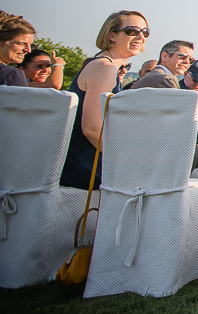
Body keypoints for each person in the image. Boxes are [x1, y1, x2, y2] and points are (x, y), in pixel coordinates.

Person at [60, 11, 148, 189]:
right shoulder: (104, 68)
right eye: (132, 30)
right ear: (111, 35)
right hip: (87, 168)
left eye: (145, 32)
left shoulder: (102, 64)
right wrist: (127, 161)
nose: (141, 36)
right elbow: (92, 129)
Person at [0, 11, 35, 167]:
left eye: (30, 44)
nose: (28, 50)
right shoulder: (10, 75)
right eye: (22, 43)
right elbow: (22, 126)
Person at [130, 40, 194, 89]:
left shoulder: (152, 76)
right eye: (182, 56)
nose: (187, 62)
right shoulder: (166, 79)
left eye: (190, 59)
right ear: (164, 56)